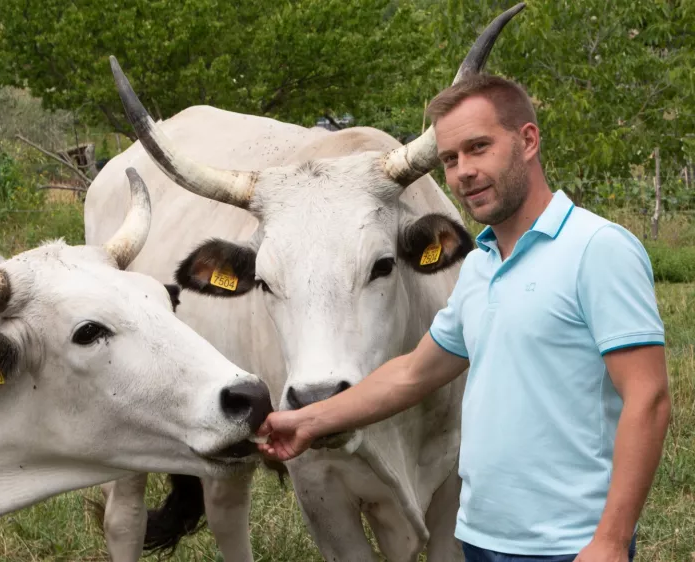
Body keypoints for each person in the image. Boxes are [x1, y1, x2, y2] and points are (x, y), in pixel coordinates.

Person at [255, 74, 672, 562]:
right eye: (451, 159)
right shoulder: (480, 264)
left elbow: (650, 398)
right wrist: (308, 419)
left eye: (479, 148)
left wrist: (611, 540)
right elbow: (413, 373)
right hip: (479, 538)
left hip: (568, 545)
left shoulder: (598, 248)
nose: (463, 172)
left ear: (528, 141)